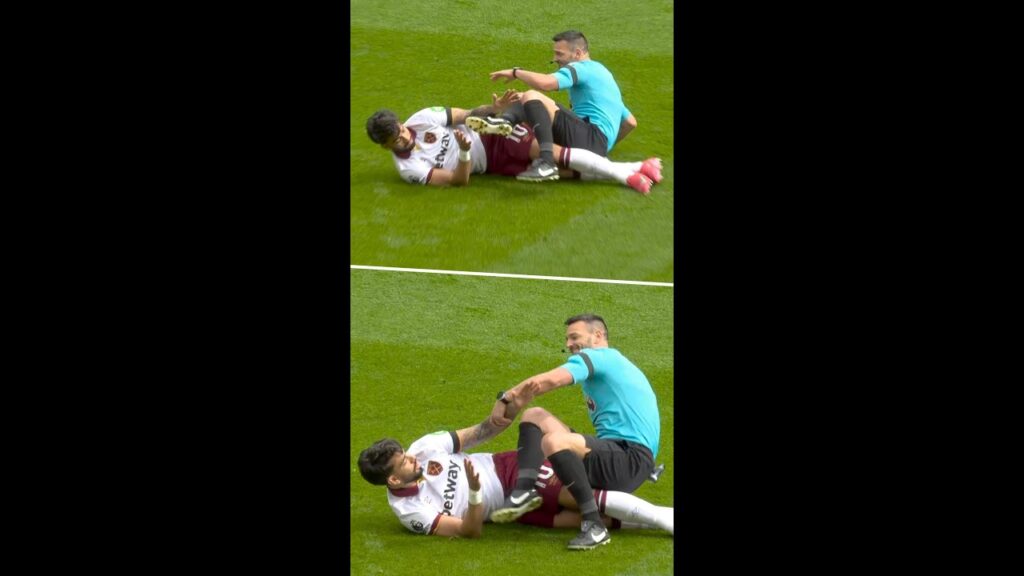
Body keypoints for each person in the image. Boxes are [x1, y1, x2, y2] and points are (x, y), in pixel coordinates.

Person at [356, 392, 672, 545]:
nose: (412, 457)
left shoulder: (423, 447)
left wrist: (499, 417)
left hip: (508, 469)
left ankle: (663, 516)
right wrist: (476, 493)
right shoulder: (410, 511)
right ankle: (645, 514)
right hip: (503, 510)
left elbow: (475, 434)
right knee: (578, 519)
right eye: (404, 462)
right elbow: (470, 530)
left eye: (405, 453)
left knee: (572, 496)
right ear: (394, 479)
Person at [488, 313, 662, 550]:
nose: (568, 344)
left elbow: (552, 380)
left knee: (555, 441)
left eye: (574, 337)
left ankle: (594, 525)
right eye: (567, 339)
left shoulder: (600, 357)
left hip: (629, 458)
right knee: (534, 415)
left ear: (598, 335)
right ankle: (524, 491)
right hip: (624, 456)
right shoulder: (614, 364)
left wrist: (508, 397)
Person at [364, 90, 661, 194]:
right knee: (559, 175)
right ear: (385, 146)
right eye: (396, 139)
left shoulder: (422, 117)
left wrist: (492, 111)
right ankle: (638, 166)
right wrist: (465, 153)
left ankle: (626, 176)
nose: (404, 136)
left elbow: (468, 114)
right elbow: (458, 182)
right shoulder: (410, 170)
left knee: (555, 155)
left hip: (492, 134)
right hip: (487, 163)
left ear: (402, 122)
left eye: (401, 129)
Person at [470, 30, 648, 184]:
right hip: (594, 142)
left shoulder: (583, 68)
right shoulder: (604, 76)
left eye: (559, 54)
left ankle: (546, 163)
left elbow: (546, 84)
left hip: (590, 137)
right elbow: (630, 123)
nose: (555, 59)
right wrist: (603, 150)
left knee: (532, 96)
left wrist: (516, 72)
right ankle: (505, 121)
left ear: (577, 53)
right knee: (526, 101)